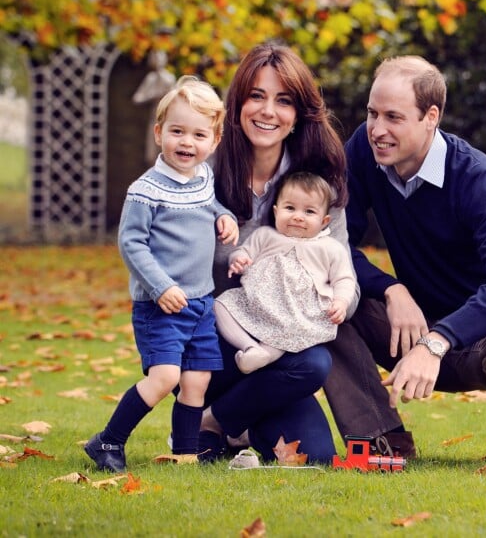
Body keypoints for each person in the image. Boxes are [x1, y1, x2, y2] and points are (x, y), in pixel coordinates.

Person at [324, 55, 486, 461]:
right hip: (410, 327)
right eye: (372, 113)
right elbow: (331, 243)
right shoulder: (364, 149)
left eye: (393, 117)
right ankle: (383, 438)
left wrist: (437, 341)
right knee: (323, 296)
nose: (378, 130)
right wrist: (391, 289)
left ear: (431, 116)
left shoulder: (477, 177)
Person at [193, 41, 359, 464]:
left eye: (283, 101)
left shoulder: (318, 184)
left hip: (283, 350)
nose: (268, 111)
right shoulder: (202, 174)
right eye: (256, 96)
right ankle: (223, 418)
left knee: (316, 449)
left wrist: (331, 303)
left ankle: (217, 422)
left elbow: (344, 273)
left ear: (298, 115)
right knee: (296, 366)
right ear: (237, 103)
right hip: (213, 343)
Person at [85, 76, 239, 472]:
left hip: (201, 302)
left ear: (214, 140)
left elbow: (210, 205)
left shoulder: (203, 178)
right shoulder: (145, 190)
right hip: (161, 305)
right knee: (166, 376)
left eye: (198, 134)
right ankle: (108, 441)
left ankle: (185, 453)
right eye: (177, 131)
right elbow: (131, 243)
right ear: (159, 133)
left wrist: (224, 216)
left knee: (197, 382)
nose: (187, 142)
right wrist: (160, 286)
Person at [215, 171, 357, 374]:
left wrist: (341, 302)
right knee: (220, 306)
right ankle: (250, 348)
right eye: (290, 208)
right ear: (275, 211)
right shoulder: (265, 236)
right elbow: (243, 252)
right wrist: (238, 260)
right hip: (256, 303)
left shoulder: (330, 248)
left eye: (309, 212)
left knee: (289, 330)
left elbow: (344, 278)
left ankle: (264, 354)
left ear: (324, 221)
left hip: (297, 311)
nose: (298, 217)